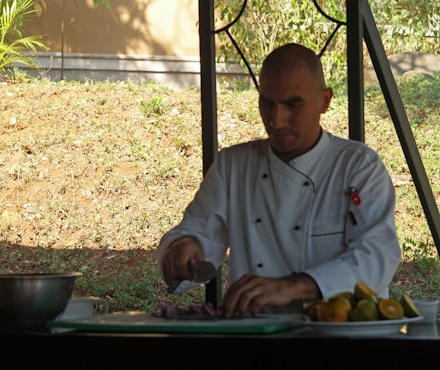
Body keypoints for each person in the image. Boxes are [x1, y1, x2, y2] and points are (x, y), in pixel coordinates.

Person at [155, 43, 402, 318]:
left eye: (293, 104)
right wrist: (183, 250)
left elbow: (377, 254)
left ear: (325, 101)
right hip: (257, 335)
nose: (276, 119)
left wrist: (292, 287)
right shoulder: (233, 166)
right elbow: (197, 233)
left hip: (341, 335)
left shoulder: (358, 166)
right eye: (267, 103)